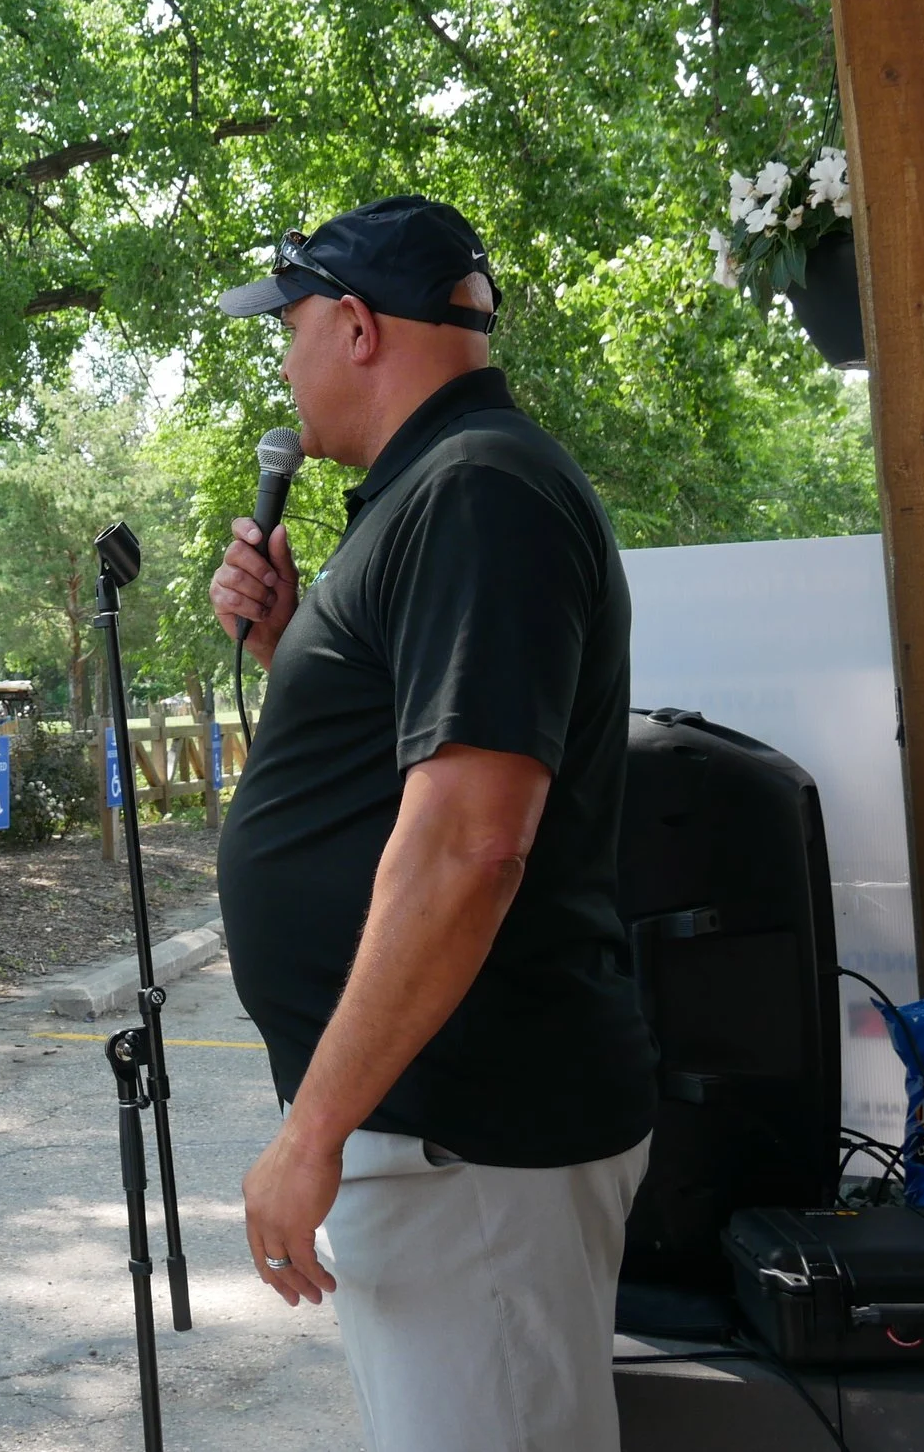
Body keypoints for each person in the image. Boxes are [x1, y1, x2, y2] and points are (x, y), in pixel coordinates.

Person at [209, 196, 657, 1452]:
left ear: (355, 327)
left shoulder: (476, 492)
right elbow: (401, 769)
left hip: (472, 1138)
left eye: (288, 327)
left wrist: (311, 1131)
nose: (282, 362)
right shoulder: (440, 491)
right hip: (453, 1142)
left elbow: (474, 843)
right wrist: (289, 642)